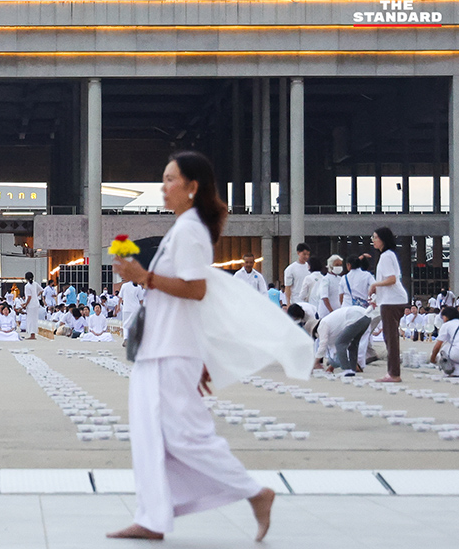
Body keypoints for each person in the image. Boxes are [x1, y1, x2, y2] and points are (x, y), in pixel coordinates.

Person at [110, 150, 274, 542]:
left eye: (170, 179)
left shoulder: (190, 231)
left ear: (192, 187)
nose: (164, 187)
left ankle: (254, 493)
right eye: (163, 179)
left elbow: (197, 290)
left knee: (186, 435)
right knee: (151, 435)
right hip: (161, 348)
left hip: (172, 351)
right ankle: (153, 516)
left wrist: (142, 276)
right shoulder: (183, 228)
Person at [368, 227, 409, 383]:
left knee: (390, 338)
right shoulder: (389, 255)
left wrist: (374, 285)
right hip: (392, 299)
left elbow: (391, 279)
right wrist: (377, 297)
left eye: (375, 237)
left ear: (383, 239)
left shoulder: (386, 256)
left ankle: (394, 373)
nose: (373, 240)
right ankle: (393, 372)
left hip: (392, 302)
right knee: (390, 337)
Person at [291, 304, 370, 376]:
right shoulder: (332, 331)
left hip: (356, 316)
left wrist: (314, 363)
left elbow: (323, 346)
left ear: (315, 332)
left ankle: (348, 370)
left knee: (340, 343)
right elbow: (336, 352)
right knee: (352, 345)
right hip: (366, 316)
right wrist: (331, 367)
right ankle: (352, 369)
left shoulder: (322, 325)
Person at [430, 306, 459, 375]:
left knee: (444, 349)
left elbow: (438, 345)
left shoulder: (447, 325)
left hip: (457, 354)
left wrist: (432, 359)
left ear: (446, 316)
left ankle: (453, 371)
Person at [22, 272, 42, 340]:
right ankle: (33, 334)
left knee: (30, 320)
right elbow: (42, 290)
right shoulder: (35, 284)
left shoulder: (27, 286)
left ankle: (32, 334)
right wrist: (36, 296)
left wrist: (25, 304)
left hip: (31, 305)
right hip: (36, 304)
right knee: (34, 320)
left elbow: (29, 297)